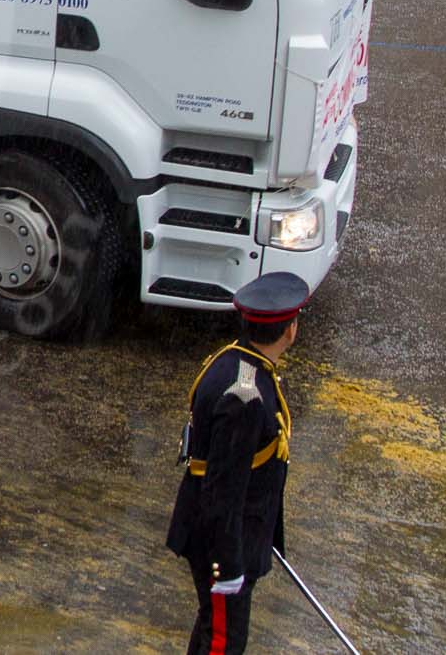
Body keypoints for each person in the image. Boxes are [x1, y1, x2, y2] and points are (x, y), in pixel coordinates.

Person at [166, 272, 311, 655]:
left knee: (212, 630)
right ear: (289, 331)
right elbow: (223, 491)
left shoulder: (236, 361)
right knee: (223, 643)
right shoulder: (245, 399)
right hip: (223, 542)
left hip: (234, 533)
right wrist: (228, 568)